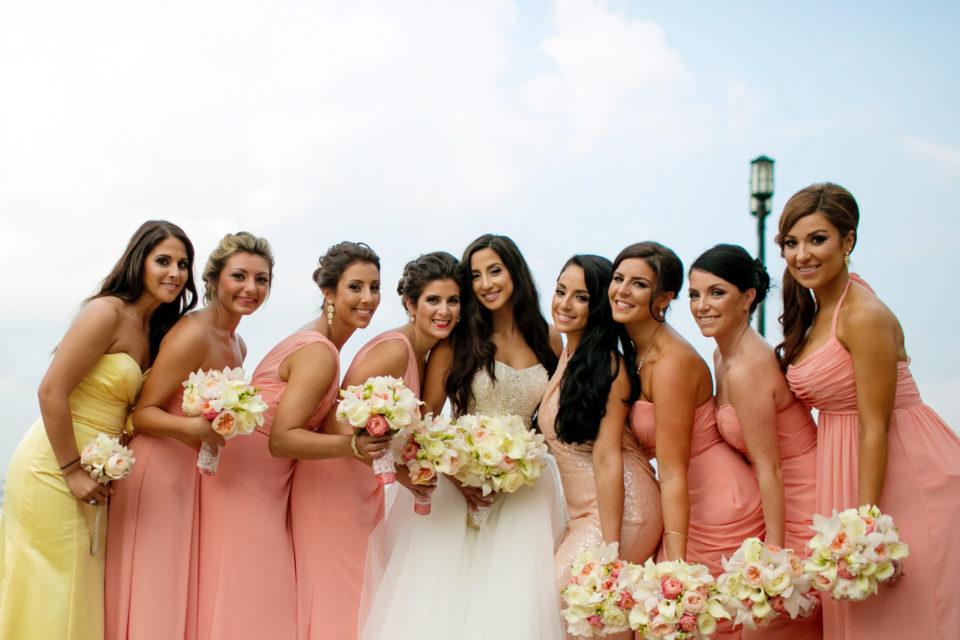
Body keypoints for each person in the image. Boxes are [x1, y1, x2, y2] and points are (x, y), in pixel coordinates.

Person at [777, 183, 960, 640]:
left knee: (909, 619)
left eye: (817, 239)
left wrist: (865, 530)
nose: (802, 254)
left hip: (902, 472)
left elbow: (874, 427)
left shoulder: (864, 314)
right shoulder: (817, 309)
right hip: (847, 468)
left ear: (849, 241)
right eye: (792, 242)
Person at [0, 221, 196, 640]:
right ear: (138, 262)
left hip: (99, 470)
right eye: (163, 260)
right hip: (53, 465)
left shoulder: (156, 330)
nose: (175, 273)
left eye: (183, 264)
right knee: (52, 586)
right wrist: (71, 469)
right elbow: (51, 391)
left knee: (81, 587)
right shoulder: (106, 312)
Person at [388, 233, 567, 639]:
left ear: (514, 273)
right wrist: (457, 478)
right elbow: (426, 420)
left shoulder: (550, 338)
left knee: (514, 605)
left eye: (495, 271)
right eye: (476, 275)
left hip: (527, 489)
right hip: (460, 485)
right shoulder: (457, 340)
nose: (486, 283)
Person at [105, 231, 273, 640]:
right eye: (240, 276)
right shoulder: (192, 334)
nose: (251, 288)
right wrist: (194, 429)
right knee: (152, 587)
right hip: (157, 470)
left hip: (191, 477)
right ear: (214, 280)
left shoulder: (239, 344)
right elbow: (140, 413)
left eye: (262, 279)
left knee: (175, 590)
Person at [611, 241, 763, 640]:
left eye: (638, 284)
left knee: (695, 621)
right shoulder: (635, 350)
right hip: (683, 501)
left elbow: (674, 470)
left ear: (663, 298)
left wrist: (675, 567)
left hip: (715, 503)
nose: (622, 290)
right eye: (618, 278)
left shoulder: (672, 362)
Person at [689, 244, 821, 639]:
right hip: (772, 495)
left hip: (802, 497)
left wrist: (774, 556)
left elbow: (772, 468)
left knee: (774, 620)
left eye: (716, 293)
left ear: (747, 298)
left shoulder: (749, 366)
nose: (701, 306)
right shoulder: (720, 355)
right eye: (695, 294)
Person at [540, 255, 662, 640]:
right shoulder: (568, 355)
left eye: (580, 297)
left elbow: (607, 458)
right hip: (585, 513)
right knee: (583, 616)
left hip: (622, 510)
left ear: (598, 306)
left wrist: (609, 549)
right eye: (561, 291)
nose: (564, 303)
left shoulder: (609, 366)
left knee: (565, 602)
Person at [342, 251, 463, 639]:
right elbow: (342, 427)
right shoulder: (394, 349)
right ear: (410, 304)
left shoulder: (431, 354)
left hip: (379, 488)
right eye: (433, 300)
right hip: (344, 487)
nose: (444, 310)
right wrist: (403, 476)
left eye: (453, 300)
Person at [276, 242, 388, 640]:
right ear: (328, 292)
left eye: (375, 287)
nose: (368, 298)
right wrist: (352, 446)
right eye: (355, 287)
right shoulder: (319, 352)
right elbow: (281, 439)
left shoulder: (331, 346)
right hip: (259, 480)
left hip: (285, 482)